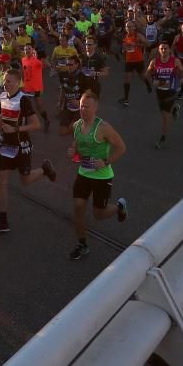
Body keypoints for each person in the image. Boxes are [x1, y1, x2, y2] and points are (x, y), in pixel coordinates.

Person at [0, 69, 57, 235]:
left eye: (9, 81)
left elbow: (36, 124)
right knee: (1, 182)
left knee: (25, 181)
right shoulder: (3, 96)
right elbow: (2, 114)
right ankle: (3, 221)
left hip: (21, 145)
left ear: (18, 83)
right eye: (4, 80)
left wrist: (15, 129)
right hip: (4, 145)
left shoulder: (23, 100)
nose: (5, 84)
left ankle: (45, 169)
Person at [68, 92, 128, 261]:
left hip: (102, 177)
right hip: (84, 174)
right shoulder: (76, 126)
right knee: (78, 207)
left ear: (95, 108)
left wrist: (106, 161)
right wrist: (73, 153)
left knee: (98, 214)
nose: (83, 109)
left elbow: (122, 147)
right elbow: (78, 149)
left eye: (87, 106)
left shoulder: (103, 128)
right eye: (81, 106)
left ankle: (119, 207)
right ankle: (82, 244)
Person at [145, 42, 183, 149]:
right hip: (159, 92)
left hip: (171, 90)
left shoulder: (175, 61)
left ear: (169, 50)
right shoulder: (154, 62)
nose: (163, 50)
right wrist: (152, 79)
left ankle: (162, 139)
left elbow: (182, 72)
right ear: (158, 50)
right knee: (163, 114)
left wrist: (179, 75)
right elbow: (147, 74)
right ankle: (175, 108)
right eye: (161, 49)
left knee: (165, 117)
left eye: (165, 48)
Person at [117, 20, 151, 107]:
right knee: (127, 79)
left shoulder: (137, 35)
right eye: (127, 27)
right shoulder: (125, 37)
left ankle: (147, 82)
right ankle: (126, 99)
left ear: (134, 27)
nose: (129, 28)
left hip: (138, 60)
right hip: (129, 61)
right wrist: (124, 49)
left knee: (142, 77)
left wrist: (137, 44)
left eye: (130, 26)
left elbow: (148, 44)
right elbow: (124, 50)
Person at [20, 44, 51, 132]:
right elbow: (23, 72)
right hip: (27, 88)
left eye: (29, 49)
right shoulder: (23, 60)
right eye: (26, 49)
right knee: (26, 106)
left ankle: (46, 120)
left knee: (39, 107)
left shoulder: (37, 61)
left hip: (37, 88)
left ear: (32, 50)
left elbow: (47, 65)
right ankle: (25, 125)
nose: (27, 51)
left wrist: (43, 58)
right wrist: (21, 84)